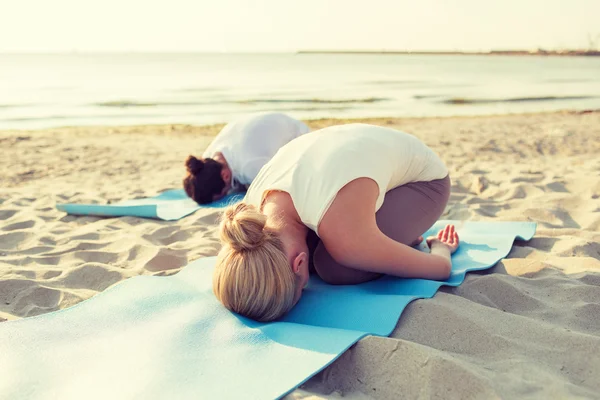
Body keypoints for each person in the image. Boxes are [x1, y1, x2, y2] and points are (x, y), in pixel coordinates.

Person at [213, 123, 459, 322]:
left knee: (333, 267)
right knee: (333, 251)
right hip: (350, 158)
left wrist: (440, 248)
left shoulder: (346, 236)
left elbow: (440, 268)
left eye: (301, 292)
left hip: (423, 181)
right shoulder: (250, 215)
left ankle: (377, 242)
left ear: (298, 263)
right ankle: (377, 240)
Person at [183, 112, 310, 204]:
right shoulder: (207, 159)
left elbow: (277, 188)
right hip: (268, 127)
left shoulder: (249, 165)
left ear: (225, 175)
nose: (225, 195)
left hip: (301, 138)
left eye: (222, 194)